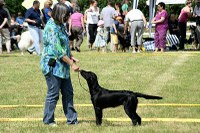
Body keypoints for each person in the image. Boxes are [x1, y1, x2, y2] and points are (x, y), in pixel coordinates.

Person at [40, 3, 80, 126]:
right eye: (66, 15)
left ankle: (72, 120)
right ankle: (48, 121)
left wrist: (71, 56)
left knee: (68, 92)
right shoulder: (51, 28)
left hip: (63, 66)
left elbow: (64, 45)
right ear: (60, 14)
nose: (68, 18)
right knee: (53, 94)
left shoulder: (61, 25)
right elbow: (57, 50)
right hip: (53, 66)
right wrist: (72, 64)